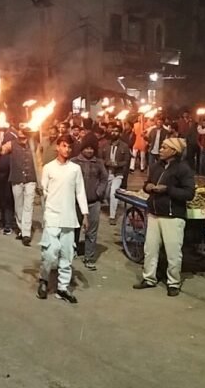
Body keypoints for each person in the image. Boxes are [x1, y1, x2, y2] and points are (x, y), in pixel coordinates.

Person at [133, 137, 195, 297]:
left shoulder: (183, 169)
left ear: (174, 151)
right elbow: (147, 183)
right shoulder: (156, 166)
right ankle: (149, 278)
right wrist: (148, 187)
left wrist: (168, 190)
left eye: (164, 147)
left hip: (172, 217)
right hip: (154, 214)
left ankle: (173, 282)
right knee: (150, 249)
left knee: (173, 252)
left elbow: (189, 193)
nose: (160, 150)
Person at [37, 135, 89, 304]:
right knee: (50, 252)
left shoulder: (75, 169)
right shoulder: (48, 168)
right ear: (57, 147)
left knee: (67, 254)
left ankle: (63, 287)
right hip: (52, 215)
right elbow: (44, 190)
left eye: (69, 147)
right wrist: (41, 192)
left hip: (69, 217)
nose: (67, 149)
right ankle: (44, 279)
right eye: (64, 146)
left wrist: (85, 214)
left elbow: (80, 191)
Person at [72, 136, 107, 271]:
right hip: (76, 203)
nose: (89, 151)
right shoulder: (74, 162)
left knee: (91, 231)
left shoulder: (99, 163)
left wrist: (98, 192)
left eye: (91, 148)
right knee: (74, 228)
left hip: (93, 203)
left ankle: (89, 258)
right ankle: (72, 250)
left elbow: (104, 179)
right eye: (86, 148)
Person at [1, 129, 38, 246]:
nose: (21, 132)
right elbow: (2, 151)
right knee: (18, 206)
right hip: (16, 178)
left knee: (28, 206)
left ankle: (26, 233)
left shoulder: (34, 144)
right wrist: (1, 142)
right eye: (20, 130)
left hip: (31, 179)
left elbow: (39, 160)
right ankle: (22, 228)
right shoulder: (12, 144)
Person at [100, 124, 131, 225]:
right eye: (112, 131)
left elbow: (127, 161)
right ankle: (111, 206)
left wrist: (117, 164)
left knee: (113, 192)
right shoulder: (105, 145)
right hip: (107, 173)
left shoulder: (124, 146)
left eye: (116, 131)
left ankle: (112, 216)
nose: (114, 133)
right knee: (107, 194)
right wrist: (106, 162)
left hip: (118, 174)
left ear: (120, 133)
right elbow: (100, 158)